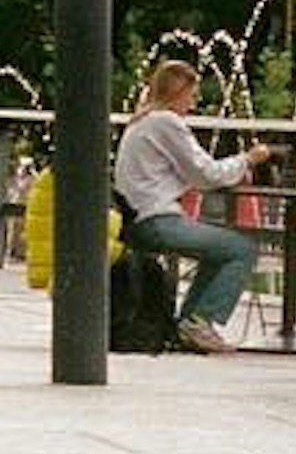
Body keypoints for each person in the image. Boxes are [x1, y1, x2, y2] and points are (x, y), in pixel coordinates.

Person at [115, 59, 278, 354]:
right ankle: (199, 321)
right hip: (156, 219)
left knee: (220, 251)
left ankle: (190, 324)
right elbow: (207, 175)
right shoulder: (166, 122)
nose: (194, 102)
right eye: (192, 94)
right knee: (240, 249)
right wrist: (249, 159)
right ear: (179, 92)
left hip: (138, 217)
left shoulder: (141, 122)